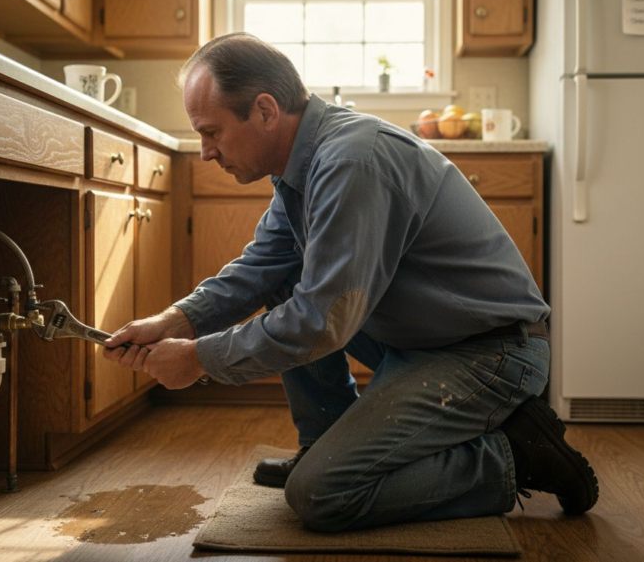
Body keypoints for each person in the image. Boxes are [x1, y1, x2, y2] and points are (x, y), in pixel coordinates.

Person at [104, 32, 598, 532]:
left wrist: (198, 360)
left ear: (265, 111)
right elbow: (259, 269)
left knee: (322, 494)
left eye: (211, 132)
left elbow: (321, 323)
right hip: (422, 340)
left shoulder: (350, 161)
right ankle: (324, 442)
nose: (205, 151)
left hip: (491, 353)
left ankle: (514, 456)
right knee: (285, 275)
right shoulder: (300, 163)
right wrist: (175, 321)